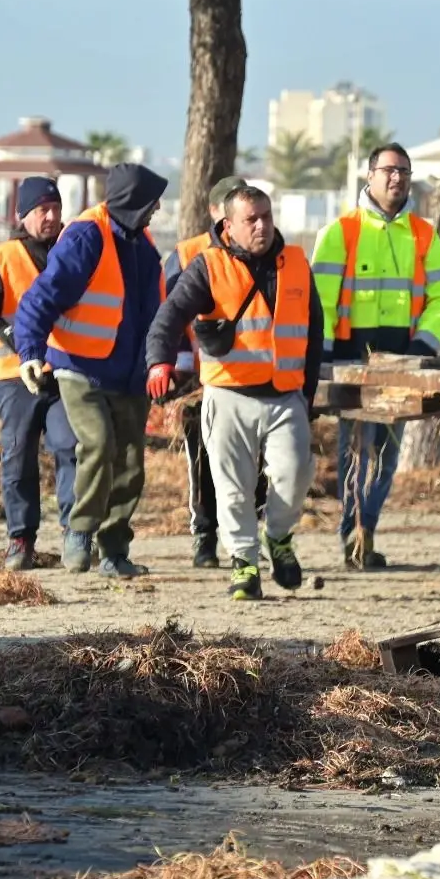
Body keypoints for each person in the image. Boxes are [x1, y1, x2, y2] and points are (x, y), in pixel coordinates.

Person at [146, 185, 324, 602]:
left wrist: (308, 395)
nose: (262, 225)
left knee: (296, 473)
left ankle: (278, 538)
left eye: (266, 215)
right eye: (251, 219)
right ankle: (244, 563)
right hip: (228, 394)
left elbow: (314, 332)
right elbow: (168, 317)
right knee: (232, 488)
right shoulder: (208, 266)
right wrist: (159, 362)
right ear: (228, 225)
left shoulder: (296, 262)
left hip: (285, 395)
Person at [13, 162, 168, 579]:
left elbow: (158, 311)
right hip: (80, 366)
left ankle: (114, 550)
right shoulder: (86, 235)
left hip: (130, 373)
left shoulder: (143, 243)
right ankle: (79, 532)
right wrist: (29, 351)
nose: (157, 209)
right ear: (133, 203)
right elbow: (40, 298)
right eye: (152, 202)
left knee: (131, 463)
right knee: (98, 445)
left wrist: (166, 361)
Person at [310, 143, 440, 569]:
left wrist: (422, 347)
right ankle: (353, 539)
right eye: (390, 170)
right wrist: (323, 356)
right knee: (357, 452)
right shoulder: (341, 231)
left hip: (403, 363)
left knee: (388, 455)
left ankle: (366, 531)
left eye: (405, 172)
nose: (397, 178)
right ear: (369, 176)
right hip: (351, 361)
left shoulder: (423, 234)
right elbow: (321, 300)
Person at [0, 177, 77, 572]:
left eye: (56, 208)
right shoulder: (4, 256)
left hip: (65, 372)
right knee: (18, 456)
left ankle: (75, 536)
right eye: (42, 210)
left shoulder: (74, 249)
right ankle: (21, 540)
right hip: (15, 378)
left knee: (71, 448)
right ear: (23, 215)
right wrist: (5, 331)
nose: (51, 216)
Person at [163, 174, 269, 568]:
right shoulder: (188, 253)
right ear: (215, 212)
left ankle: (249, 541)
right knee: (202, 460)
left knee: (257, 462)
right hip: (198, 378)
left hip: (254, 379)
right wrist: (179, 367)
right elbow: (169, 315)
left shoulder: (266, 255)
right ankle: (204, 538)